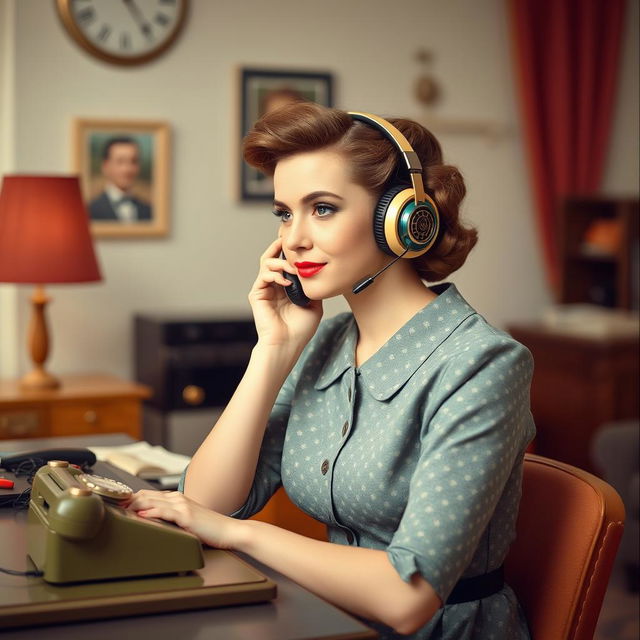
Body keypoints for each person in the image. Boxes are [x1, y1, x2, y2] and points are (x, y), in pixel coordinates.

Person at [128, 102, 536, 639]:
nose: (293, 239)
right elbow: (203, 502)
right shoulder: (323, 343)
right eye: (284, 212)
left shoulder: (482, 364)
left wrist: (236, 535)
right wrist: (272, 350)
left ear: (403, 219)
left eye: (321, 208)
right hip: (327, 619)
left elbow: (406, 596)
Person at [88, 136, 152, 222]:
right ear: (105, 166)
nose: (128, 169)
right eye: (120, 162)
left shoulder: (148, 211)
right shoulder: (90, 210)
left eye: (134, 161)